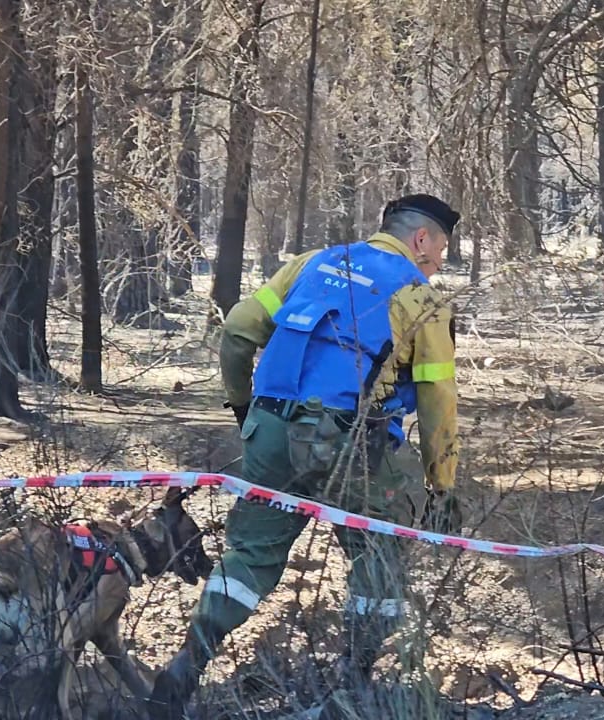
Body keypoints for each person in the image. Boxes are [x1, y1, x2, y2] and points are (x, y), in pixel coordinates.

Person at [148, 194, 465, 719]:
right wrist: (442, 484)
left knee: (249, 557)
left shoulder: (312, 263)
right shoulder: (421, 298)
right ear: (421, 239)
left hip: (270, 430)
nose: (438, 263)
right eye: (439, 251)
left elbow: (236, 331)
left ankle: (187, 664)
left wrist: (248, 410)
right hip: (355, 445)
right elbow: (438, 403)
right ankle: (354, 683)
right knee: (377, 558)